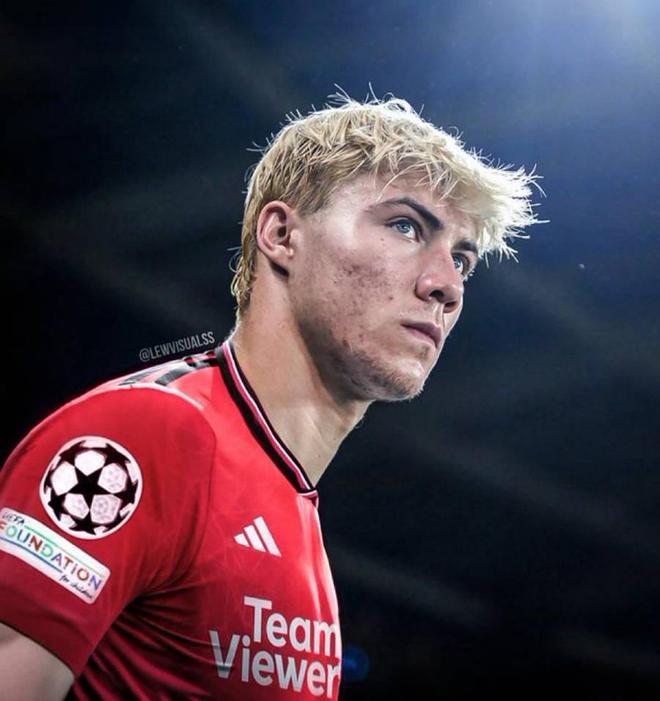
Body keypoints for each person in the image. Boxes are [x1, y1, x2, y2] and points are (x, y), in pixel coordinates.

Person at [0, 91, 543, 699]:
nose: (446, 286)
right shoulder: (143, 434)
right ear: (282, 235)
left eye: (463, 261)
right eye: (405, 226)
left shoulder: (294, 511)